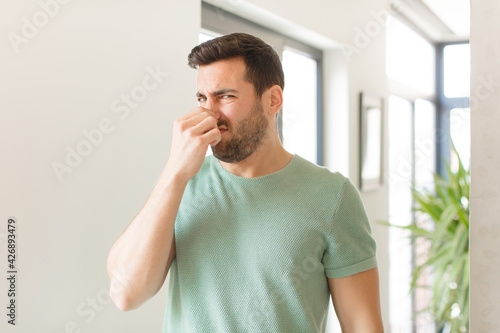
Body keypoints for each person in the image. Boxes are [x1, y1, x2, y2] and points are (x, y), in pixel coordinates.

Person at [107, 32, 384, 332]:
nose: (210, 114)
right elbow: (126, 294)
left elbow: (362, 325)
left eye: (226, 96)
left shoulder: (333, 196)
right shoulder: (181, 183)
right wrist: (174, 172)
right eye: (202, 98)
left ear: (273, 100)